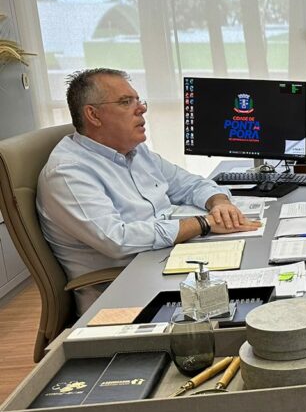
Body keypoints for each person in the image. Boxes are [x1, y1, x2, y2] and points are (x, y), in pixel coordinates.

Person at [37, 68, 261, 313]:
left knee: (258, 267)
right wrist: (202, 224)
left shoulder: (135, 151)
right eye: (126, 102)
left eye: (138, 100)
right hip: (124, 293)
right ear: (93, 115)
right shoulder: (68, 172)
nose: (141, 109)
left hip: (167, 263)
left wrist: (219, 204)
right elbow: (117, 240)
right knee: (252, 305)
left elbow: (189, 183)